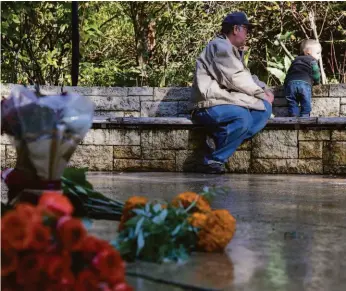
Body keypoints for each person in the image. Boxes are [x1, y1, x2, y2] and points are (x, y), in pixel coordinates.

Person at [190, 12, 274, 174]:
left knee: (263, 110)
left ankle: (220, 138)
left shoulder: (233, 51)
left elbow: (249, 77)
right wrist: (262, 94)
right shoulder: (220, 46)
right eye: (246, 30)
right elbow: (236, 77)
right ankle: (214, 160)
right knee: (242, 117)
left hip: (224, 102)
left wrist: (264, 90)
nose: (247, 35)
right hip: (207, 105)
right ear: (236, 29)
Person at [284, 39, 322, 117]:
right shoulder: (312, 60)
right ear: (308, 53)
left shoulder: (295, 61)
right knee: (306, 102)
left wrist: (285, 85)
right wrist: (317, 82)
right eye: (318, 53)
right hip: (304, 84)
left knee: (292, 102)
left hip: (290, 84)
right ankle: (305, 118)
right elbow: (316, 72)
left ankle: (294, 117)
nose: (319, 55)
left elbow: (289, 73)